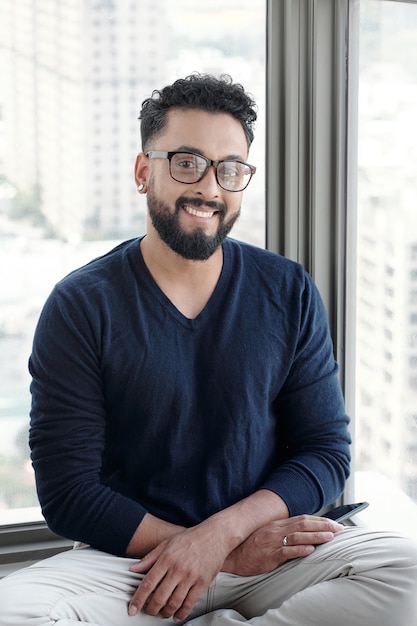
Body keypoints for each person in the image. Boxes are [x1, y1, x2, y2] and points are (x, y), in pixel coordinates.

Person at [0, 73, 416, 626]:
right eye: (187, 162)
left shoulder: (286, 288)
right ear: (143, 171)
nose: (210, 187)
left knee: (407, 575)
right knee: (15, 612)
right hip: (133, 562)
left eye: (230, 168)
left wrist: (221, 540)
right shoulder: (81, 305)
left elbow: (324, 452)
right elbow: (68, 491)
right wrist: (195, 549)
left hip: (268, 552)